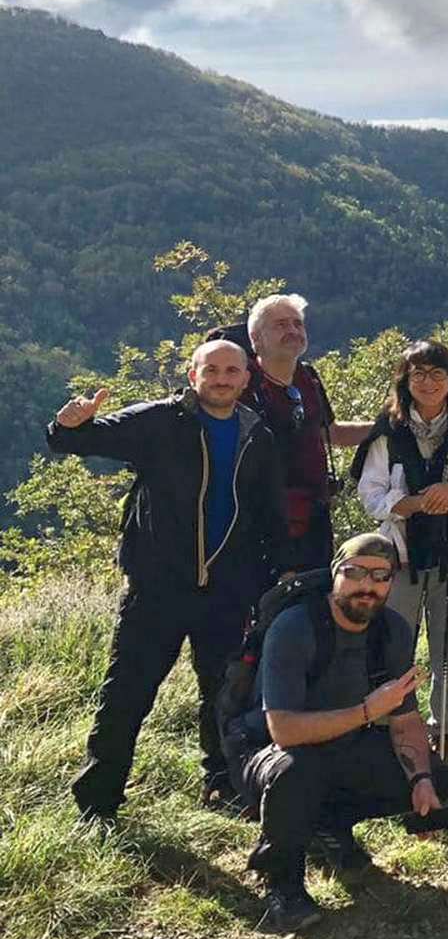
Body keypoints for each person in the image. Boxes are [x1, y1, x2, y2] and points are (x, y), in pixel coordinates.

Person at [49, 340, 283, 822]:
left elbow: (268, 517)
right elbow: (84, 439)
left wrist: (267, 581)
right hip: (158, 588)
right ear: (193, 375)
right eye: (211, 369)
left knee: (223, 692)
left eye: (231, 370)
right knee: (128, 692)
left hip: (226, 590)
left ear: (245, 378)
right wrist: (68, 424)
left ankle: (223, 784)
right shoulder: (160, 420)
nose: (221, 378)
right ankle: (99, 802)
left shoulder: (258, 435)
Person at [238, 533, 448, 932]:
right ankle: (282, 882)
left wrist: (421, 780)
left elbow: (404, 719)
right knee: (296, 771)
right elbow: (282, 730)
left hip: (342, 743)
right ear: (336, 573)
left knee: (437, 775)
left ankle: (328, 824)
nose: (367, 587)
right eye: (355, 573)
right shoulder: (295, 626)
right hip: (266, 752)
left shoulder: (392, 631)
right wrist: (368, 710)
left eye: (380, 576)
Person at [352, 340, 448, 763]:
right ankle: (388, 729)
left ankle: (447, 733)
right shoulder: (388, 433)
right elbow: (368, 493)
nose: (428, 383)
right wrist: (412, 504)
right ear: (405, 381)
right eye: (418, 374)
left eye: (437, 374)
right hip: (399, 556)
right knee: (394, 645)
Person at [231, 294, 371, 573]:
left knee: (311, 599)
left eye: (298, 324)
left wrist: (388, 426)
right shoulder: (241, 385)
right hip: (261, 520)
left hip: (313, 519)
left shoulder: (309, 379)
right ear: (256, 338)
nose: (293, 331)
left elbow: (329, 433)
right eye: (281, 325)